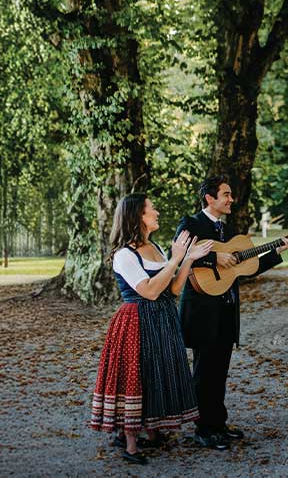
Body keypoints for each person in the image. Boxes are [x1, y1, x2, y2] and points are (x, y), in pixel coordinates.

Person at [91, 193, 213, 465]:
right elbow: (148, 291)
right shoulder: (124, 254)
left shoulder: (156, 247)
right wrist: (175, 259)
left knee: (159, 371)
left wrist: (188, 259)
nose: (156, 212)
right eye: (151, 209)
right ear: (138, 216)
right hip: (137, 320)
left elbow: (173, 289)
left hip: (163, 318)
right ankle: (131, 444)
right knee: (137, 375)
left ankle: (154, 431)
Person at [176, 176, 288, 450]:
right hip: (203, 311)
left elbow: (245, 269)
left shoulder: (228, 233)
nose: (231, 199)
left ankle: (218, 423)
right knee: (204, 372)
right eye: (226, 194)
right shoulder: (191, 224)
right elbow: (180, 256)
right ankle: (203, 429)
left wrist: (277, 252)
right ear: (210, 198)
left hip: (226, 311)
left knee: (220, 370)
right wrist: (213, 257)